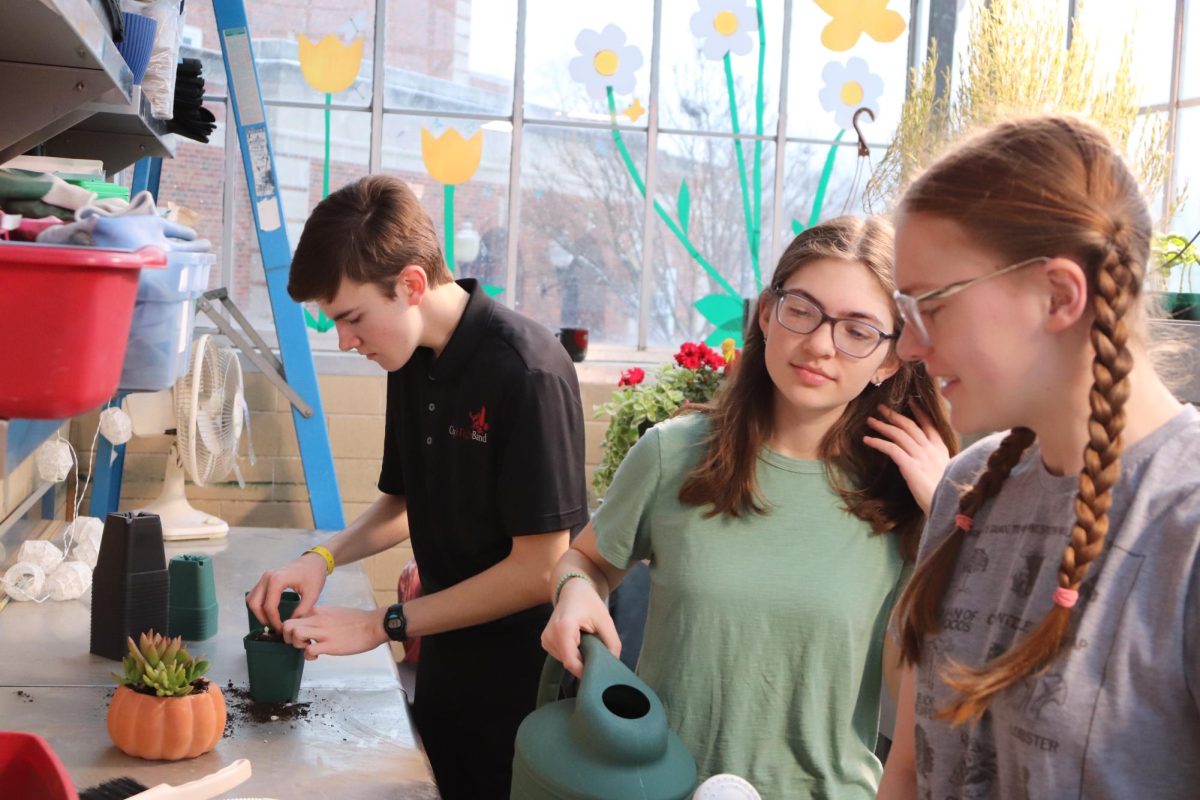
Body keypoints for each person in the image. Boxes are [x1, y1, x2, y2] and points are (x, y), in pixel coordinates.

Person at [542, 216, 959, 798]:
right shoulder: (674, 453)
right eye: (802, 310)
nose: (819, 344)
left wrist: (949, 525)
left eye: (858, 330)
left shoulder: (902, 499)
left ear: (889, 359)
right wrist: (577, 591)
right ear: (767, 313)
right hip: (663, 787)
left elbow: (917, 692)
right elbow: (582, 561)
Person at [876, 115, 1200, 800]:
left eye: (929, 304)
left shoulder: (1185, 524)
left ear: (1058, 295)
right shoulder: (969, 486)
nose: (908, 345)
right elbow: (906, 772)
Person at [246, 175, 589, 799]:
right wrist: (319, 557)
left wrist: (384, 622)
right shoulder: (409, 362)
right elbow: (406, 504)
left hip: (524, 684)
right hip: (445, 662)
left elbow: (541, 569)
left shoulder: (528, 371)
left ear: (410, 284)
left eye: (352, 318)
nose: (346, 341)